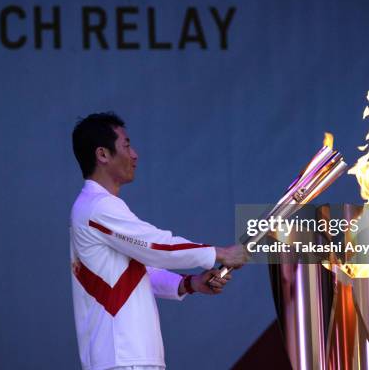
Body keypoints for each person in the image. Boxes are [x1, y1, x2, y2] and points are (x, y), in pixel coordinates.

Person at [70, 112, 248, 370]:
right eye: (127, 145)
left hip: (130, 358)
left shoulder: (97, 208)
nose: (134, 154)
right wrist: (220, 254)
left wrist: (190, 283)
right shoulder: (97, 207)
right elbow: (156, 246)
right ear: (103, 154)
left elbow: (138, 273)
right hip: (121, 359)